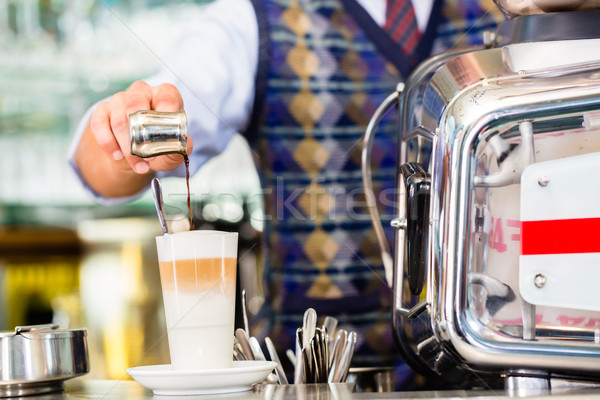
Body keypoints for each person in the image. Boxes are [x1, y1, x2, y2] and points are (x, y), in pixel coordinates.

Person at [69, 0, 505, 388]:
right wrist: (122, 138)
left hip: (498, 376)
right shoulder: (255, 19)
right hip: (311, 384)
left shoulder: (510, 10)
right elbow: (100, 170)